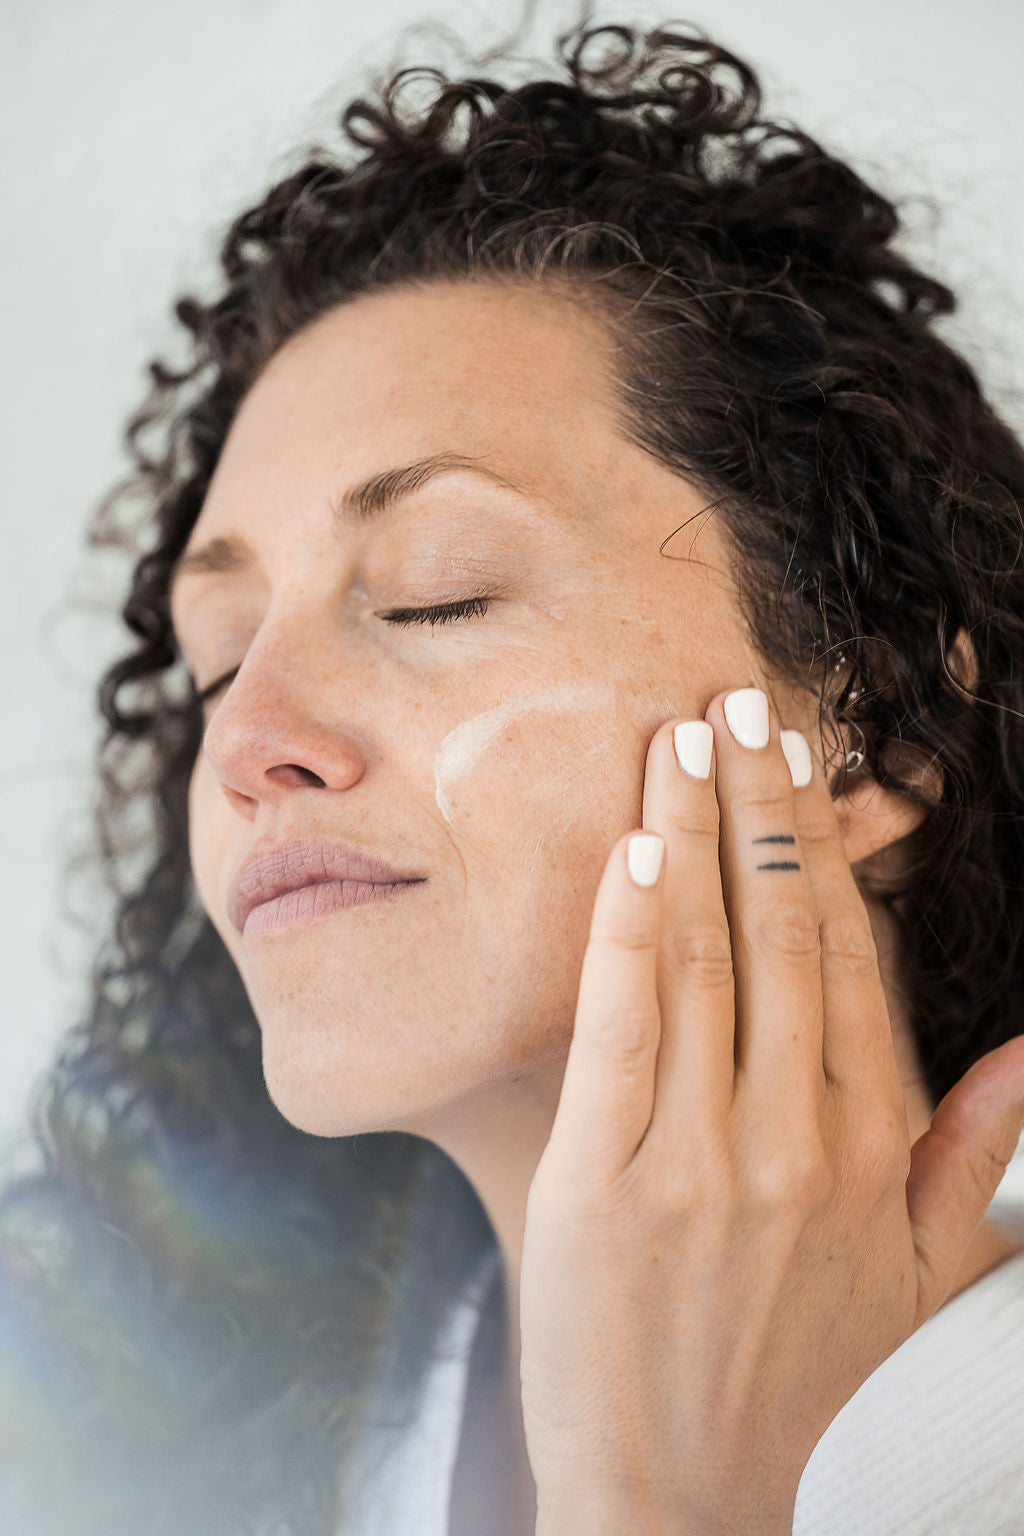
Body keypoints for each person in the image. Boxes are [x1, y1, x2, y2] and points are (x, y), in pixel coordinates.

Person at [3, 15, 1024, 1535]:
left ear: (877, 733)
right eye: (217, 655)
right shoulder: (196, 1451)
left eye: (436, 590)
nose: (246, 736)